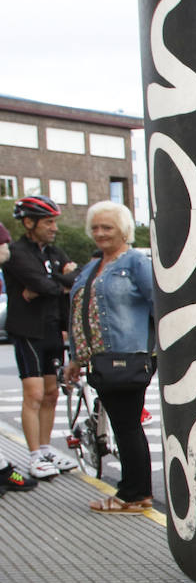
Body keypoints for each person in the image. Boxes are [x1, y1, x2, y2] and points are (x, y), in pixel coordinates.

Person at [62, 201, 157, 513]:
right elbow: (80, 315)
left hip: (127, 359)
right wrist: (75, 358)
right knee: (124, 424)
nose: (100, 233)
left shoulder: (135, 263)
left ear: (124, 230)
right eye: (95, 228)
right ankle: (135, 491)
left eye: (107, 227)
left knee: (127, 424)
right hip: (101, 361)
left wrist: (157, 349)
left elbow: (159, 304)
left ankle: (133, 493)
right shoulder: (93, 266)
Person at [2, 196, 80, 479]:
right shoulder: (16, 252)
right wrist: (57, 282)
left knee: (51, 393)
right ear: (29, 222)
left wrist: (55, 284)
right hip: (28, 330)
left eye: (55, 221)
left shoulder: (54, 252)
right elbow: (41, 283)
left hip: (52, 330)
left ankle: (47, 449)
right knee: (33, 393)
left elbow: (74, 280)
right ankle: (34, 455)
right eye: (48, 222)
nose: (54, 227)